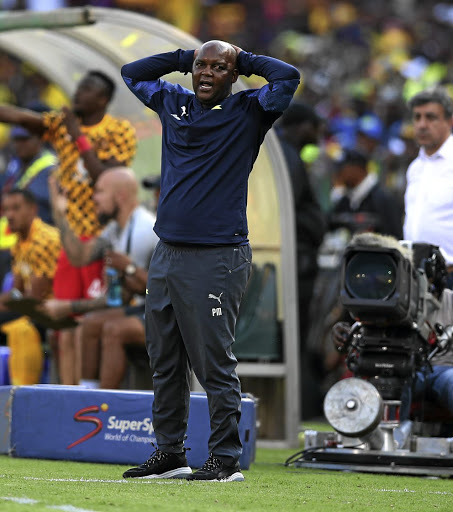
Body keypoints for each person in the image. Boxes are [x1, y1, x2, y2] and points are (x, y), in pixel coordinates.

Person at [120, 39, 299, 481]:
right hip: (168, 254)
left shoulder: (251, 111)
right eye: (201, 66)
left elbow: (288, 76)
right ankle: (170, 453)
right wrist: (184, 58)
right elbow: (132, 72)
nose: (206, 73)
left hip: (218, 256)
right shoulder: (172, 101)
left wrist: (246, 58)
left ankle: (225, 458)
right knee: (164, 359)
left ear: (234, 76)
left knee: (213, 362)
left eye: (219, 68)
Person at [0, 69, 137, 385]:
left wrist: (78, 135)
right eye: (78, 85)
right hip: (69, 243)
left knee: (90, 322)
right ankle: (67, 393)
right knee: (63, 330)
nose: (77, 92)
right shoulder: (59, 125)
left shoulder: (119, 131)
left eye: (87, 88)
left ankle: (90, 395)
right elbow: (22, 118)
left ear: (102, 98)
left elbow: (106, 178)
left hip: (100, 239)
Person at [42, 167, 158, 387]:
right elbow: (79, 257)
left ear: (120, 196)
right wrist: (60, 214)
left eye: (100, 192)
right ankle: (88, 394)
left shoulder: (145, 229)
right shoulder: (114, 230)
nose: (94, 198)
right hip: (137, 310)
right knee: (89, 323)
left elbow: (160, 290)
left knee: (112, 329)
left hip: (163, 315)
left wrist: (130, 269)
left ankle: (106, 406)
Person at [332, 232, 453, 421]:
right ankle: (384, 441)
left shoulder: (448, 300)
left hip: (441, 370)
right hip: (396, 366)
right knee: (388, 380)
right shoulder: (381, 299)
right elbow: (357, 335)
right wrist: (343, 336)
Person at [275, 101, 327, 418]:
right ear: (302, 126)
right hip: (296, 266)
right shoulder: (288, 158)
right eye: (315, 126)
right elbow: (290, 211)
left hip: (296, 262)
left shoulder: (284, 154)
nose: (318, 133)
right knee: (295, 338)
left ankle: (296, 405)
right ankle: (298, 408)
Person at [0, 188, 60, 385]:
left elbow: (33, 298)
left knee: (17, 325)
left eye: (16, 208)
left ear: (33, 209)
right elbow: (15, 291)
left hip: (52, 311)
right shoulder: (20, 240)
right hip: (30, 307)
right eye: (6, 209)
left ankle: (22, 391)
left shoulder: (44, 239)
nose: (9, 215)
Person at [403, 86, 453, 286]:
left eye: (430, 117)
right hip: (417, 278)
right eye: (417, 117)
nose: (422, 125)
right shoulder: (415, 168)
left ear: (449, 121)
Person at [329, 148, 403, 239]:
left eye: (342, 169)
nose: (337, 174)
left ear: (357, 169)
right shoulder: (345, 200)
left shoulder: (383, 199)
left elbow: (395, 239)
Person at [0, 125, 57, 224]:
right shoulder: (13, 167)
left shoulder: (51, 169)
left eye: (25, 139)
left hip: (43, 233)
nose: (19, 144)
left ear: (40, 139)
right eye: (16, 140)